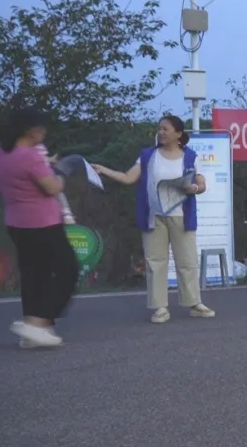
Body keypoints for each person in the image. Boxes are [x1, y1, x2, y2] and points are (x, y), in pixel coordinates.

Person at [92, 116, 215, 323]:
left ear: (178, 133)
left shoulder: (190, 157)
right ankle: (160, 307)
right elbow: (128, 177)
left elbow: (201, 184)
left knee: (187, 261)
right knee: (155, 261)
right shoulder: (148, 155)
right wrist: (104, 170)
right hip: (154, 216)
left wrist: (194, 188)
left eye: (165, 129)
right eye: (159, 129)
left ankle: (194, 303)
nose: (161, 132)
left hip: (181, 215)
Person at [0, 108, 79, 348]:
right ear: (31, 131)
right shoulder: (29, 156)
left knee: (34, 275)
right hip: (43, 222)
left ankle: (33, 331)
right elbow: (52, 187)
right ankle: (38, 323)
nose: (44, 133)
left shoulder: (0, 154)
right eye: (41, 128)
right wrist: (60, 176)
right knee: (68, 271)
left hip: (16, 222)